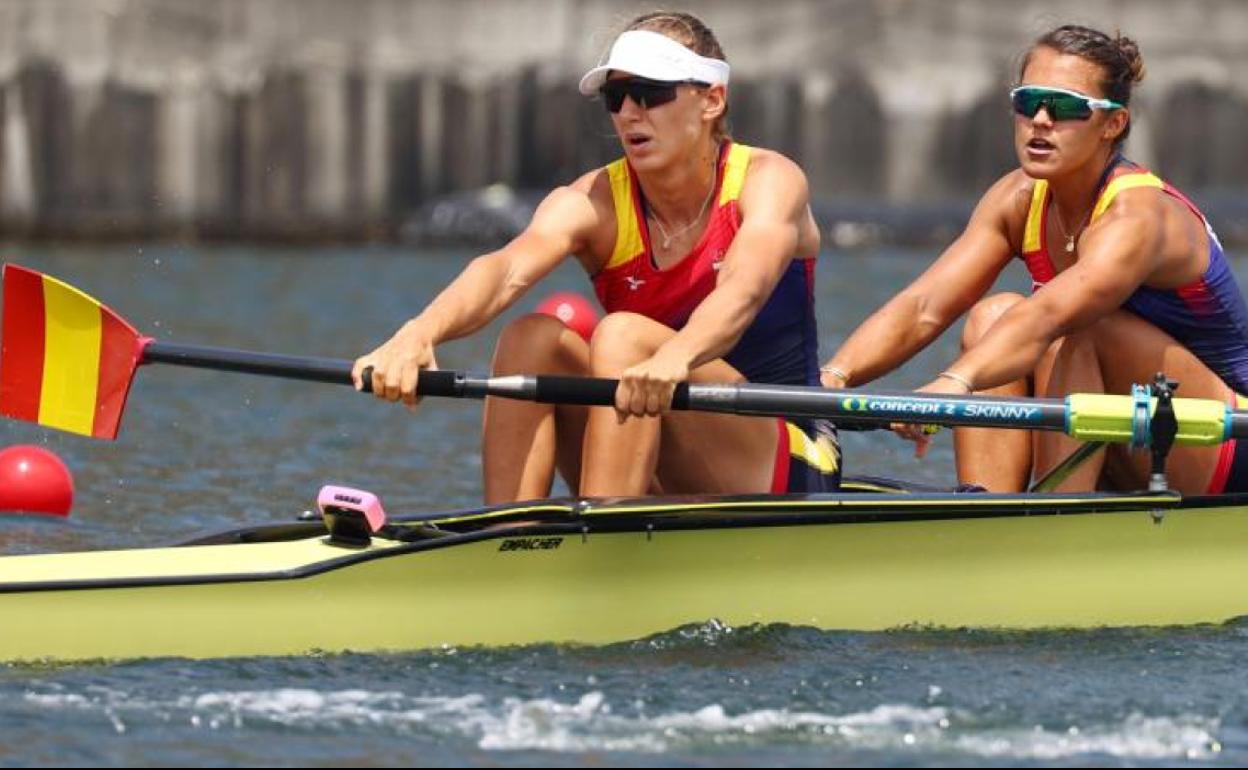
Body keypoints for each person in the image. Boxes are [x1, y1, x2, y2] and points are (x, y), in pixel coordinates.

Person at [353, 11, 839, 503]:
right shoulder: (594, 202)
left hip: (790, 456)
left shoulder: (768, 181)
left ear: (712, 99)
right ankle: (512, 540)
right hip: (648, 426)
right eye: (616, 97)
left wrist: (674, 356)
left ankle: (605, 540)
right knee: (531, 338)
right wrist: (418, 333)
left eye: (651, 93)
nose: (629, 112)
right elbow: (504, 271)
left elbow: (744, 289)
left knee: (623, 336)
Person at [819, 24, 1248, 494]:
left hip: (1223, 441)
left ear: (1114, 124)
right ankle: (985, 512)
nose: (1041, 119)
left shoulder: (1138, 216)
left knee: (1078, 327)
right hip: (1131, 433)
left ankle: (1055, 516)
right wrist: (831, 379)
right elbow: (925, 305)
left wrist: (951, 385)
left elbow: (1047, 317)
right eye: (1028, 102)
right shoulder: (1017, 199)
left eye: (1065, 107)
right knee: (992, 316)